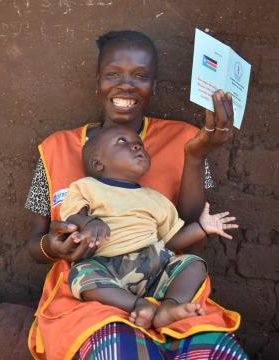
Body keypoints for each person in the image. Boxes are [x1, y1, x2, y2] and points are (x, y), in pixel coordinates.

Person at [26, 30, 246, 359]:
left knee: (215, 351)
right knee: (120, 350)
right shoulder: (55, 148)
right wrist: (51, 246)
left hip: (158, 280)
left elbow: (188, 233)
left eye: (140, 76)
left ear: (154, 86)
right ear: (97, 81)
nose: (126, 85)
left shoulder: (186, 140)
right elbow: (34, 244)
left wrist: (196, 156)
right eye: (113, 74)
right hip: (89, 296)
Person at [62, 125, 239, 331]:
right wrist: (90, 223)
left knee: (193, 264)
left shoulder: (156, 198)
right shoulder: (86, 186)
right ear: (97, 163)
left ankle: (169, 307)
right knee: (80, 275)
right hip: (105, 265)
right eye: (123, 142)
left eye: (140, 144)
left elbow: (172, 239)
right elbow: (72, 215)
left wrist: (201, 227)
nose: (136, 146)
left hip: (154, 264)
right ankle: (137, 305)